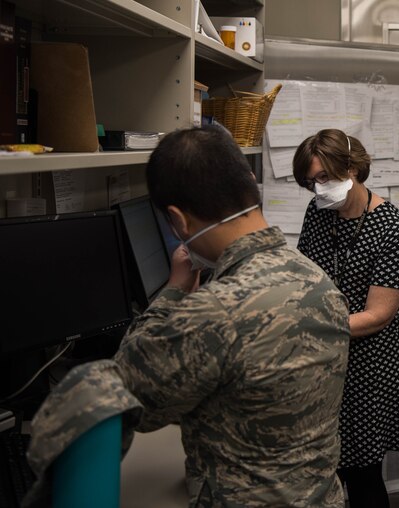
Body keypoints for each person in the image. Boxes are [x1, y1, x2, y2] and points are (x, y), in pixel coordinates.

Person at [113, 125, 351, 507]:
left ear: (178, 220)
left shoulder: (212, 312)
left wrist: (174, 291)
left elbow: (129, 399)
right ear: (251, 187)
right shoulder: (316, 278)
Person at [292, 129, 399, 508]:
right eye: (311, 182)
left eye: (324, 178)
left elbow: (379, 315)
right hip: (325, 358)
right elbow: (304, 277)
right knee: (325, 468)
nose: (318, 189)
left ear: (354, 168)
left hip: (368, 364)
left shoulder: (391, 226)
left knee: (362, 475)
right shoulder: (319, 213)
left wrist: (312, 328)